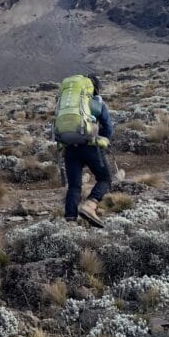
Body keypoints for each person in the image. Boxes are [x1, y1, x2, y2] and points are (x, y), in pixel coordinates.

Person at [59, 74, 114, 227]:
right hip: (91, 146)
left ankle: (70, 220)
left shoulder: (67, 104)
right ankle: (90, 205)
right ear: (95, 88)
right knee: (105, 179)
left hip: (70, 147)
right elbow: (108, 128)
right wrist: (103, 139)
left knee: (74, 186)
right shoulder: (96, 103)